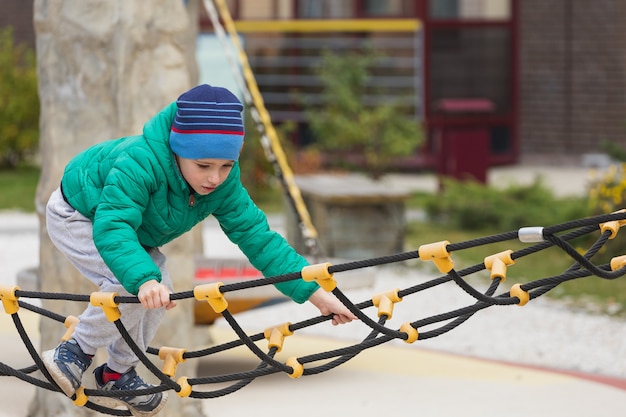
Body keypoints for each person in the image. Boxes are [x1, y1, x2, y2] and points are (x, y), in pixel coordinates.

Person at [42, 84, 358, 417]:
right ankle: (74, 351)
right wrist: (143, 279)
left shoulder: (224, 183)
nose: (215, 178)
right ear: (177, 149)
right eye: (204, 165)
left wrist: (314, 293)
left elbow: (258, 237)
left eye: (226, 165)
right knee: (132, 284)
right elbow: (113, 227)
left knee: (160, 292)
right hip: (79, 216)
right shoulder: (140, 162)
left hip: (130, 232)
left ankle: (117, 374)